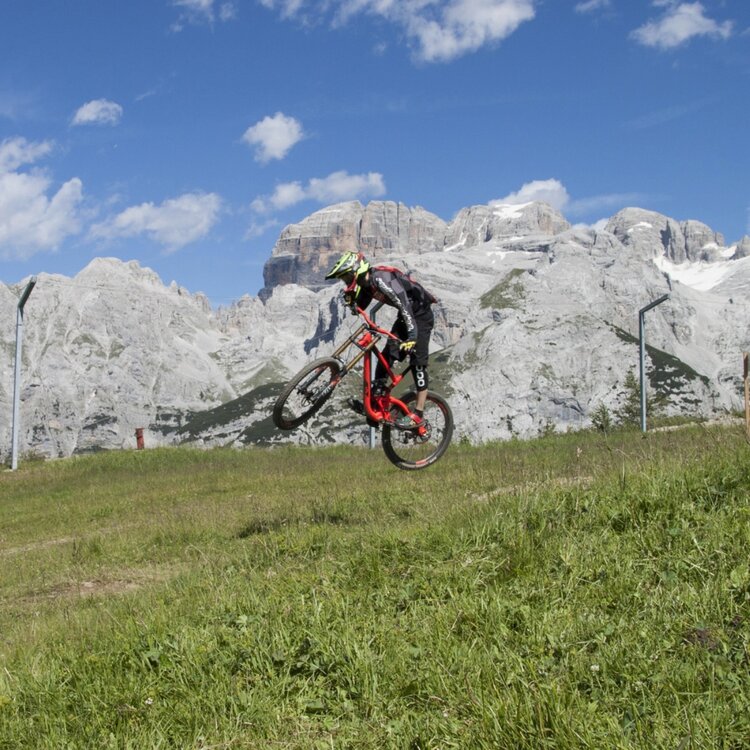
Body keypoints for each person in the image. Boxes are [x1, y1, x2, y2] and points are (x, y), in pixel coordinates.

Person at [325, 251, 437, 428]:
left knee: (418, 363)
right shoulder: (366, 284)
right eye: (343, 278)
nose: (346, 281)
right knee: (386, 357)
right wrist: (352, 302)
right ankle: (377, 403)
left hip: (421, 316)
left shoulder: (381, 278)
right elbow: (360, 307)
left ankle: (418, 414)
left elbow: (404, 304)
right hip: (406, 317)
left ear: (357, 270)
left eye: (346, 276)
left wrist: (413, 337)